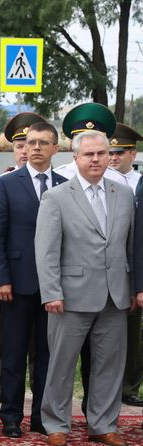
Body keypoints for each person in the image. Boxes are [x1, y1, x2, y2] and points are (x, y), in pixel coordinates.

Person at [35, 130, 133, 446]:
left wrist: (132, 287)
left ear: (109, 156)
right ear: (75, 158)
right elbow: (46, 250)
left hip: (115, 294)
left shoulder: (124, 194)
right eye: (89, 154)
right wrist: (51, 292)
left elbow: (130, 246)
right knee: (62, 364)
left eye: (102, 153)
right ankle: (56, 424)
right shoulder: (57, 197)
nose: (96, 159)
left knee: (110, 364)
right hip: (70, 295)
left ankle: (103, 424)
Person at [0, 121, 67, 438]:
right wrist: (1, 279)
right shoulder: (6, 184)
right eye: (31, 142)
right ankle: (11, 417)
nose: (35, 148)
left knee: (48, 356)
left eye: (43, 143)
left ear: (55, 149)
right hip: (16, 285)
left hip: (53, 288)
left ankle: (41, 417)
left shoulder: (64, 185)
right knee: (14, 354)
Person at [0, 112, 45, 405]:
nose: (27, 150)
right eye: (22, 145)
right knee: (6, 342)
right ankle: (0, 389)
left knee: (42, 348)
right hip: (12, 277)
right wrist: (0, 277)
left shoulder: (59, 181)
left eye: (35, 143)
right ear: (16, 149)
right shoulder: (1, 183)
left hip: (48, 280)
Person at [108, 123, 143, 407]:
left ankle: (129, 386)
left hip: (130, 270)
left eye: (120, 152)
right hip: (105, 272)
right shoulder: (100, 181)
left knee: (131, 336)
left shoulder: (138, 183)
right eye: (111, 152)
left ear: (133, 153)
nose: (114, 157)